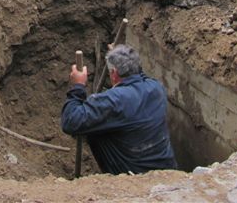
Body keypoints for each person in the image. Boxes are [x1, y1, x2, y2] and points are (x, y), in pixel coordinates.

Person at [61, 44, 177, 175]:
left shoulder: (114, 101)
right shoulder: (156, 88)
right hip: (167, 172)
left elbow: (70, 121)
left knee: (94, 127)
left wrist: (78, 86)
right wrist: (121, 57)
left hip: (135, 179)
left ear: (114, 73)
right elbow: (139, 74)